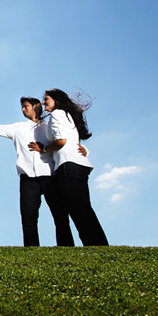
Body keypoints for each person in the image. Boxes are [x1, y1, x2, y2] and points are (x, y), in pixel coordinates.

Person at [0, 98, 75, 247]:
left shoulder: (49, 126)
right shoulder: (18, 128)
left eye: (25, 107)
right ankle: (31, 250)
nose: (22, 110)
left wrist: (83, 150)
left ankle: (67, 247)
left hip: (50, 176)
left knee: (60, 215)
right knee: (29, 217)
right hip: (28, 179)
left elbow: (64, 140)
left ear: (36, 107)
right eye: (22, 107)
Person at [28, 89, 109, 246]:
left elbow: (62, 141)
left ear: (56, 100)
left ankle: (94, 245)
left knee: (77, 208)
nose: (43, 102)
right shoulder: (67, 115)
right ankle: (99, 245)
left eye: (46, 99)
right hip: (78, 165)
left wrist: (43, 149)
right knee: (83, 207)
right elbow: (73, 141)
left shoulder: (57, 114)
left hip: (68, 166)